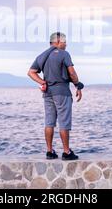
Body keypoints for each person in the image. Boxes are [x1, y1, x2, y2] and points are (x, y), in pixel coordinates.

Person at [28, 32, 84, 161]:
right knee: (64, 122)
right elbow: (72, 73)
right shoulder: (64, 54)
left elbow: (31, 72)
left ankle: (49, 151)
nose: (66, 44)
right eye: (64, 42)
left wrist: (42, 82)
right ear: (57, 41)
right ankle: (66, 152)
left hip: (47, 93)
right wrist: (77, 85)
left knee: (49, 122)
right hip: (62, 92)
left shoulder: (42, 56)